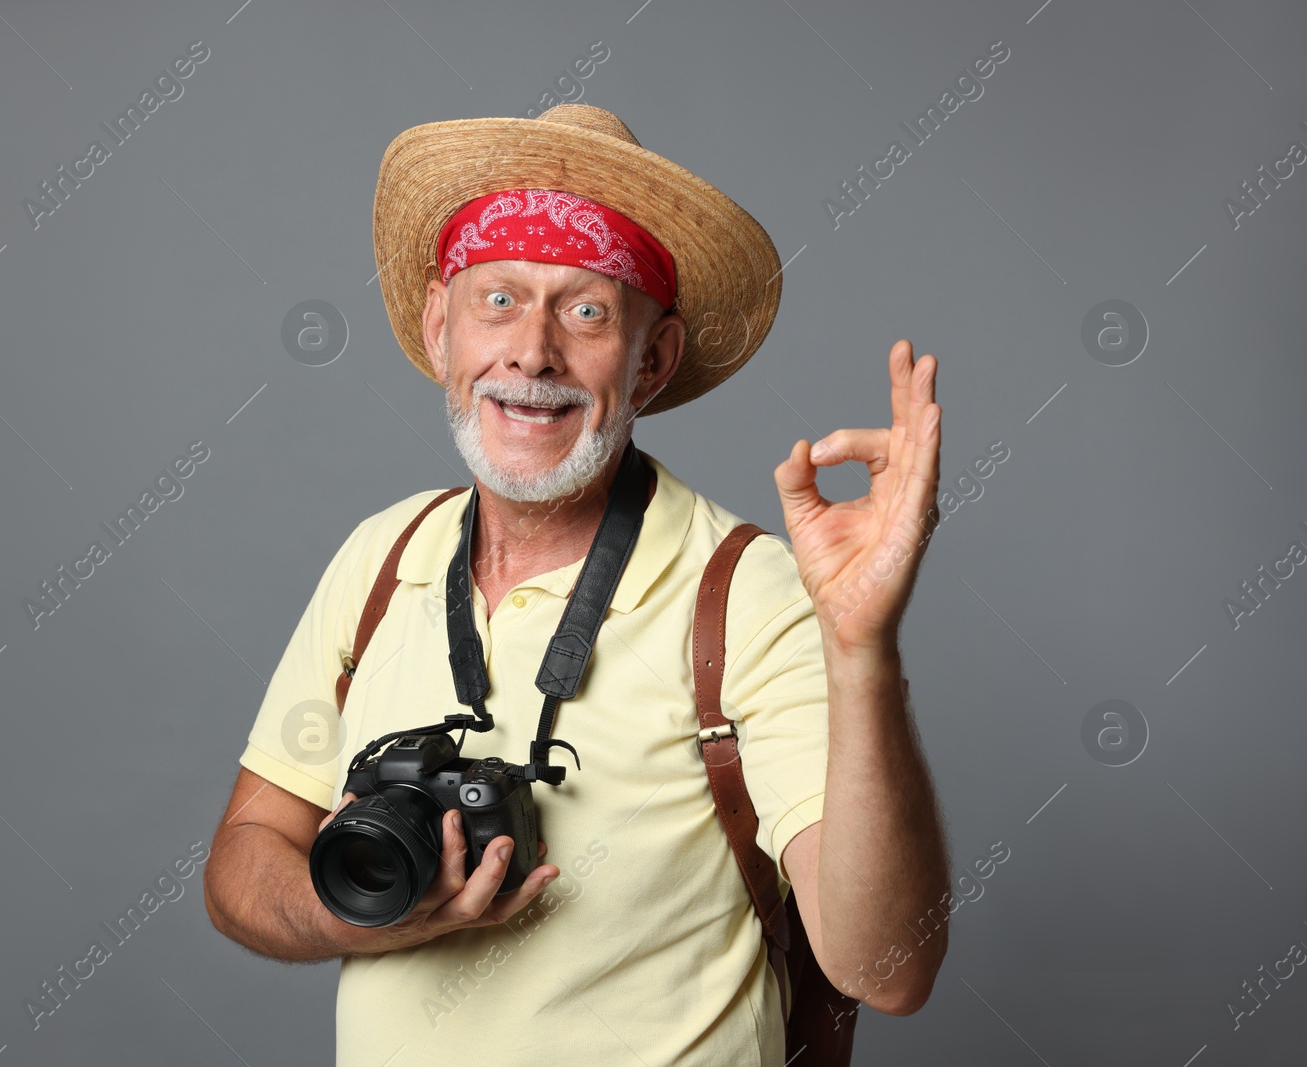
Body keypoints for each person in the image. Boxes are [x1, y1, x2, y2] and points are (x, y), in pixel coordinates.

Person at [203, 103, 950, 1065]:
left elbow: (887, 968)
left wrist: (862, 649)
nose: (533, 351)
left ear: (654, 361)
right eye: (499, 300)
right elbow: (242, 860)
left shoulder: (749, 589)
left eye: (587, 309)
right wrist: (377, 909)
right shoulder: (383, 557)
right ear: (442, 328)